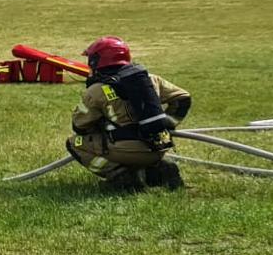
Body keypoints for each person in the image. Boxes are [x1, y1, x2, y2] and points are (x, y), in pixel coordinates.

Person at [67, 36, 191, 191]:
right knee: (139, 149)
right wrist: (168, 123)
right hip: (159, 145)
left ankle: (120, 176)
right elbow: (183, 98)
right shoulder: (149, 79)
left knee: (75, 143)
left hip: (125, 151)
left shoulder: (97, 90)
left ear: (96, 61)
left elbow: (79, 126)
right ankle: (158, 168)